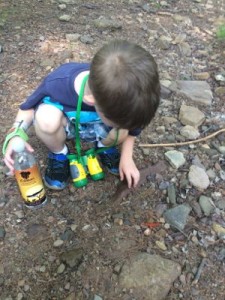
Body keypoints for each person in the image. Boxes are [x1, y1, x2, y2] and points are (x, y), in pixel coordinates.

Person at [2, 40, 160, 190]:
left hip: (102, 126)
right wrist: (16, 133)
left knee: (123, 127)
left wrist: (127, 156)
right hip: (69, 124)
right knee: (45, 118)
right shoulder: (58, 83)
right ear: (91, 101)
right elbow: (26, 108)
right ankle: (59, 153)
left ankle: (105, 146)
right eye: (119, 122)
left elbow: (133, 126)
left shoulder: (129, 98)